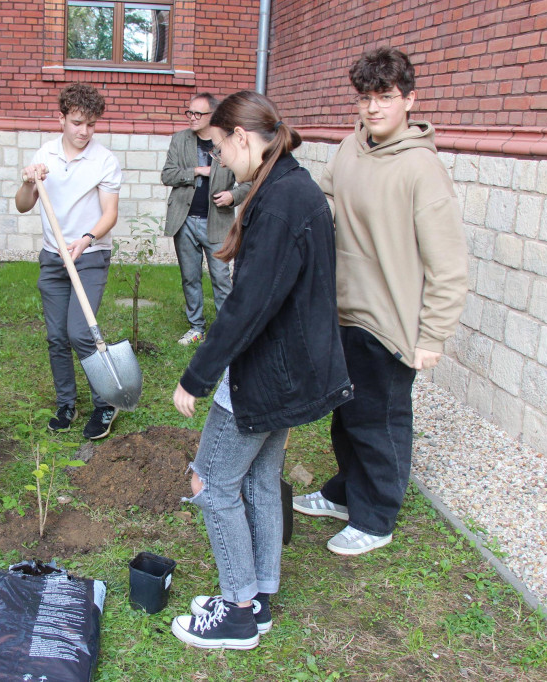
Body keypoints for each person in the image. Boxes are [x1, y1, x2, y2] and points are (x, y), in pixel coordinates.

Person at [170, 91, 351, 650]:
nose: (223, 159)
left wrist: (196, 376)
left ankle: (238, 611)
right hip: (293, 371)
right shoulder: (294, 187)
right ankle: (260, 595)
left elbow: (249, 305)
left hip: (265, 373)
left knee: (211, 481)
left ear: (243, 138)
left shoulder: (277, 203)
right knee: (258, 480)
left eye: (224, 147)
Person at [293, 47, 467, 556]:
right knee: (347, 416)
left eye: (385, 97)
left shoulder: (422, 170)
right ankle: (347, 493)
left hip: (388, 321)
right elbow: (324, 200)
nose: (373, 108)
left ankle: (376, 516)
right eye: (365, 98)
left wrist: (432, 335)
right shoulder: (351, 148)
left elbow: (449, 265)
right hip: (342, 310)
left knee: (380, 421)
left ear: (409, 100)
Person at [15, 83, 122, 440]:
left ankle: (106, 403)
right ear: (61, 118)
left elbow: (110, 214)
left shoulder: (104, 160)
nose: (84, 132)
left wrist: (87, 239)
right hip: (53, 258)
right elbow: (22, 204)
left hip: (89, 256)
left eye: (91, 124)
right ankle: (66, 404)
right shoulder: (44, 154)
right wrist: (30, 180)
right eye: (77, 122)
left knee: (81, 332)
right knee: (57, 337)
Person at [161, 93, 250, 345]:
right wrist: (197, 171)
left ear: (213, 116)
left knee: (221, 277)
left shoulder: (230, 142)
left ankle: (225, 331)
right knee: (190, 276)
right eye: (189, 112)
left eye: (198, 114)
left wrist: (233, 196)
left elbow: (249, 181)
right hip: (185, 219)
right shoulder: (180, 140)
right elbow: (167, 175)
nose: (192, 118)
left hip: (217, 221)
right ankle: (196, 327)